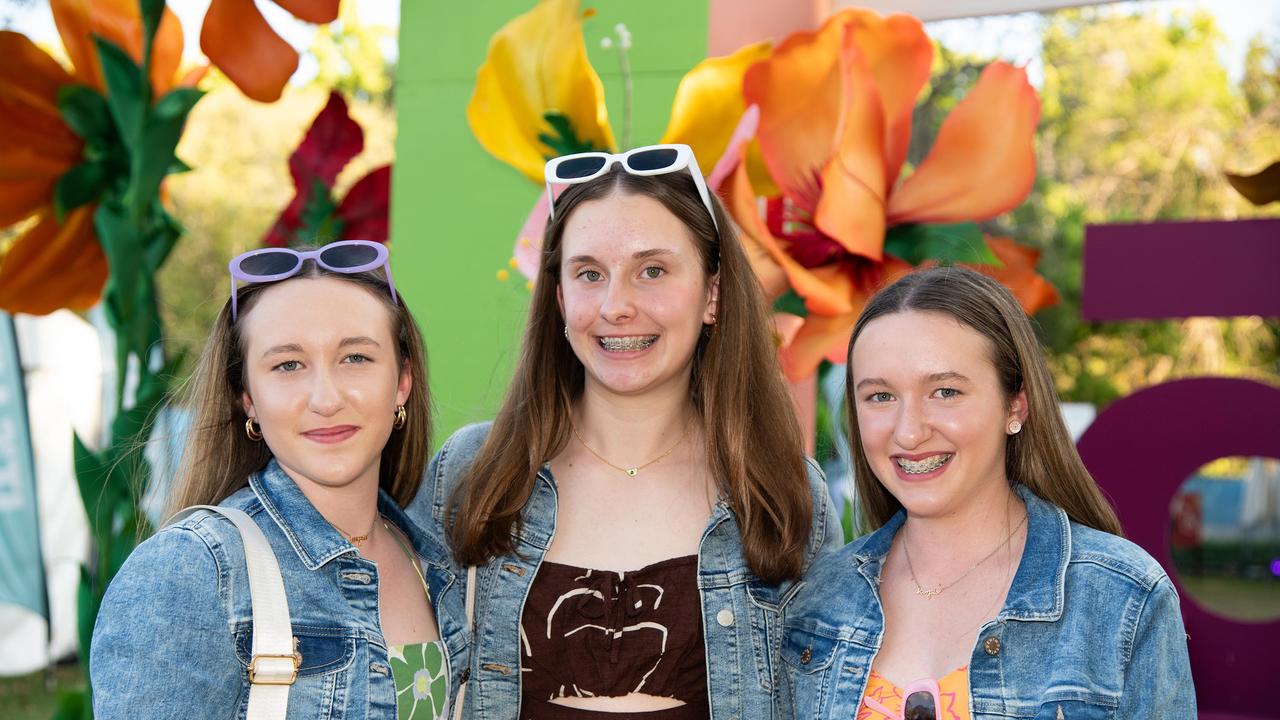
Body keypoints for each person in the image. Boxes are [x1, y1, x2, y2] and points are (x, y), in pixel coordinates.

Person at [410, 145, 841, 719]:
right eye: (589, 274)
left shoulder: (785, 490)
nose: (616, 305)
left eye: (653, 271)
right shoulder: (470, 471)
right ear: (560, 298)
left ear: (712, 293)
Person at [780, 266, 1194, 719]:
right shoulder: (816, 599)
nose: (909, 432)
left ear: (1015, 404)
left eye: (945, 391)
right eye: (880, 397)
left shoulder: (1122, 598)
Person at [92, 241, 463, 720]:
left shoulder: (436, 560)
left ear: (402, 382)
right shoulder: (191, 571)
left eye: (355, 358)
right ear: (248, 397)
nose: (325, 398)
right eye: (288, 365)